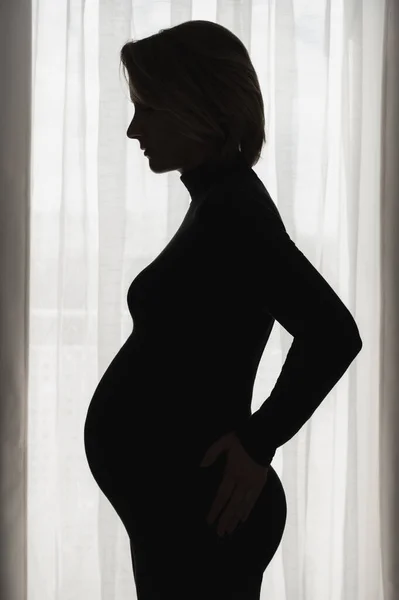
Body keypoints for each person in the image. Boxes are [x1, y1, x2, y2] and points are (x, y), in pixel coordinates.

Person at [84, 20, 362, 600]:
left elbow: (334, 333)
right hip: (184, 516)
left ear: (198, 106)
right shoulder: (217, 201)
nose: (134, 130)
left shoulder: (235, 208)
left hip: (206, 518)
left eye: (147, 109)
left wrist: (260, 441)